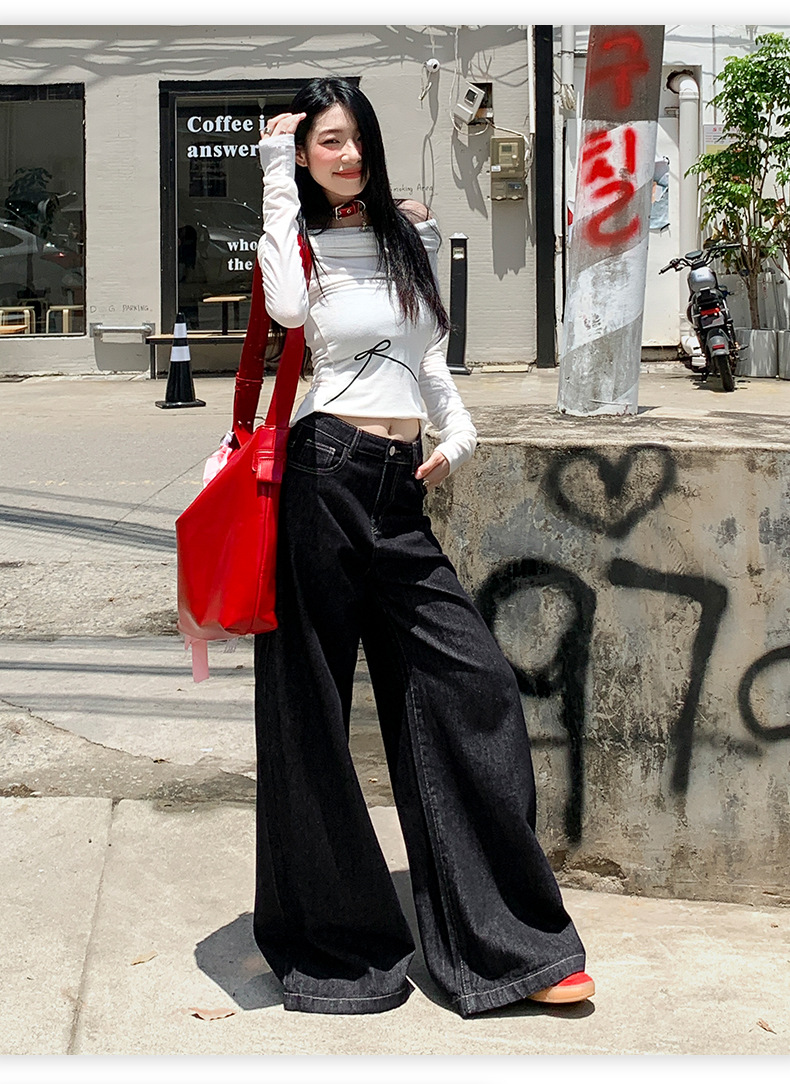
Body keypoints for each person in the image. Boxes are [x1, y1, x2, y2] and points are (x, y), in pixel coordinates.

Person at [253, 76, 594, 1018]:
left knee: (471, 683)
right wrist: (275, 171)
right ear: (304, 153)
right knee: (312, 709)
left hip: (399, 489)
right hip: (324, 475)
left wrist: (460, 433)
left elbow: (430, 356)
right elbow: (288, 311)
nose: (347, 155)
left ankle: (506, 945)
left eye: (356, 138)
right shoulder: (298, 238)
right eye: (327, 141)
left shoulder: (405, 235)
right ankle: (339, 942)